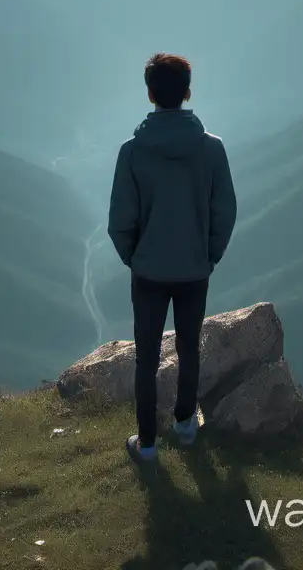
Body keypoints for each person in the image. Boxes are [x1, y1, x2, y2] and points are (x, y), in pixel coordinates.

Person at [107, 52, 237, 464]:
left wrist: (135, 257)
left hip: (148, 270)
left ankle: (146, 444)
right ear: (187, 92)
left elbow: (120, 219)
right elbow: (225, 212)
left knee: (145, 356)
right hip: (194, 269)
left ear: (150, 93)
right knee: (189, 348)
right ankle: (185, 424)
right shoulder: (211, 149)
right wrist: (208, 255)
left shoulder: (132, 151)